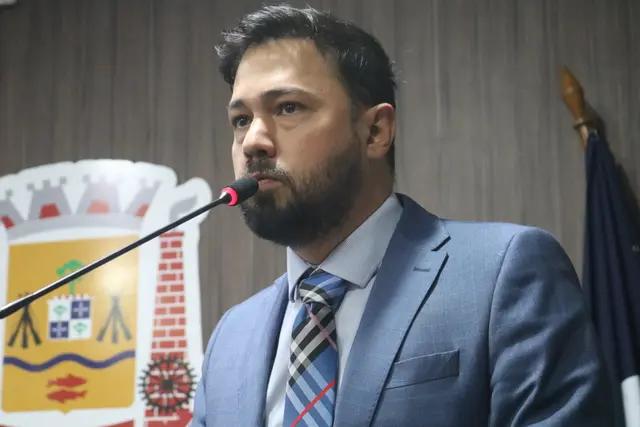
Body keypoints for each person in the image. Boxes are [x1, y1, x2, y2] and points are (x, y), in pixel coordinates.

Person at [193, 5, 613, 426]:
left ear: (375, 131)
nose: (253, 141)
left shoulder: (505, 273)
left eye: (288, 107)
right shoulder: (231, 337)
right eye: (241, 120)